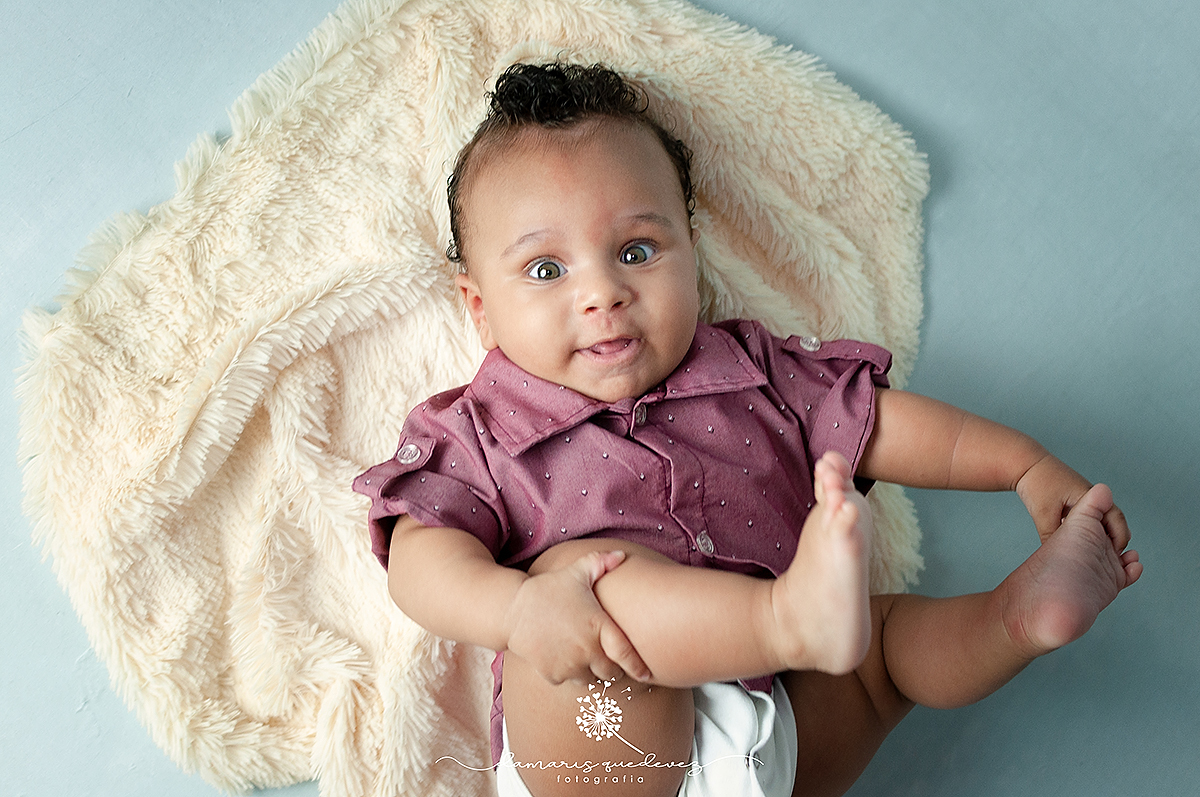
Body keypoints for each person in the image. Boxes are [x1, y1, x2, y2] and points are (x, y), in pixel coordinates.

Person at [353, 62, 1142, 797]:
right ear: (479, 306)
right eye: (546, 269)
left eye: (636, 250)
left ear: (691, 253)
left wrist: (1024, 466)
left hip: (776, 738)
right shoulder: (481, 426)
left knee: (885, 652)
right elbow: (420, 560)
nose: (603, 292)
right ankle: (789, 620)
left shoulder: (755, 373)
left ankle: (1017, 616)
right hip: (602, 745)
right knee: (585, 579)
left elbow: (883, 427)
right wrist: (517, 611)